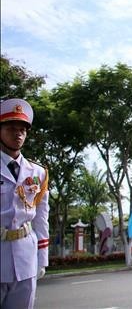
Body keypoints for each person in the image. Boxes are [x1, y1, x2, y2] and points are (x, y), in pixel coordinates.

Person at [1, 98, 49, 309]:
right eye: (11, 128)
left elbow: (41, 217)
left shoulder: (37, 173)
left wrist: (42, 257)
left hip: (25, 255)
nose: (18, 133)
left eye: (22, 129)